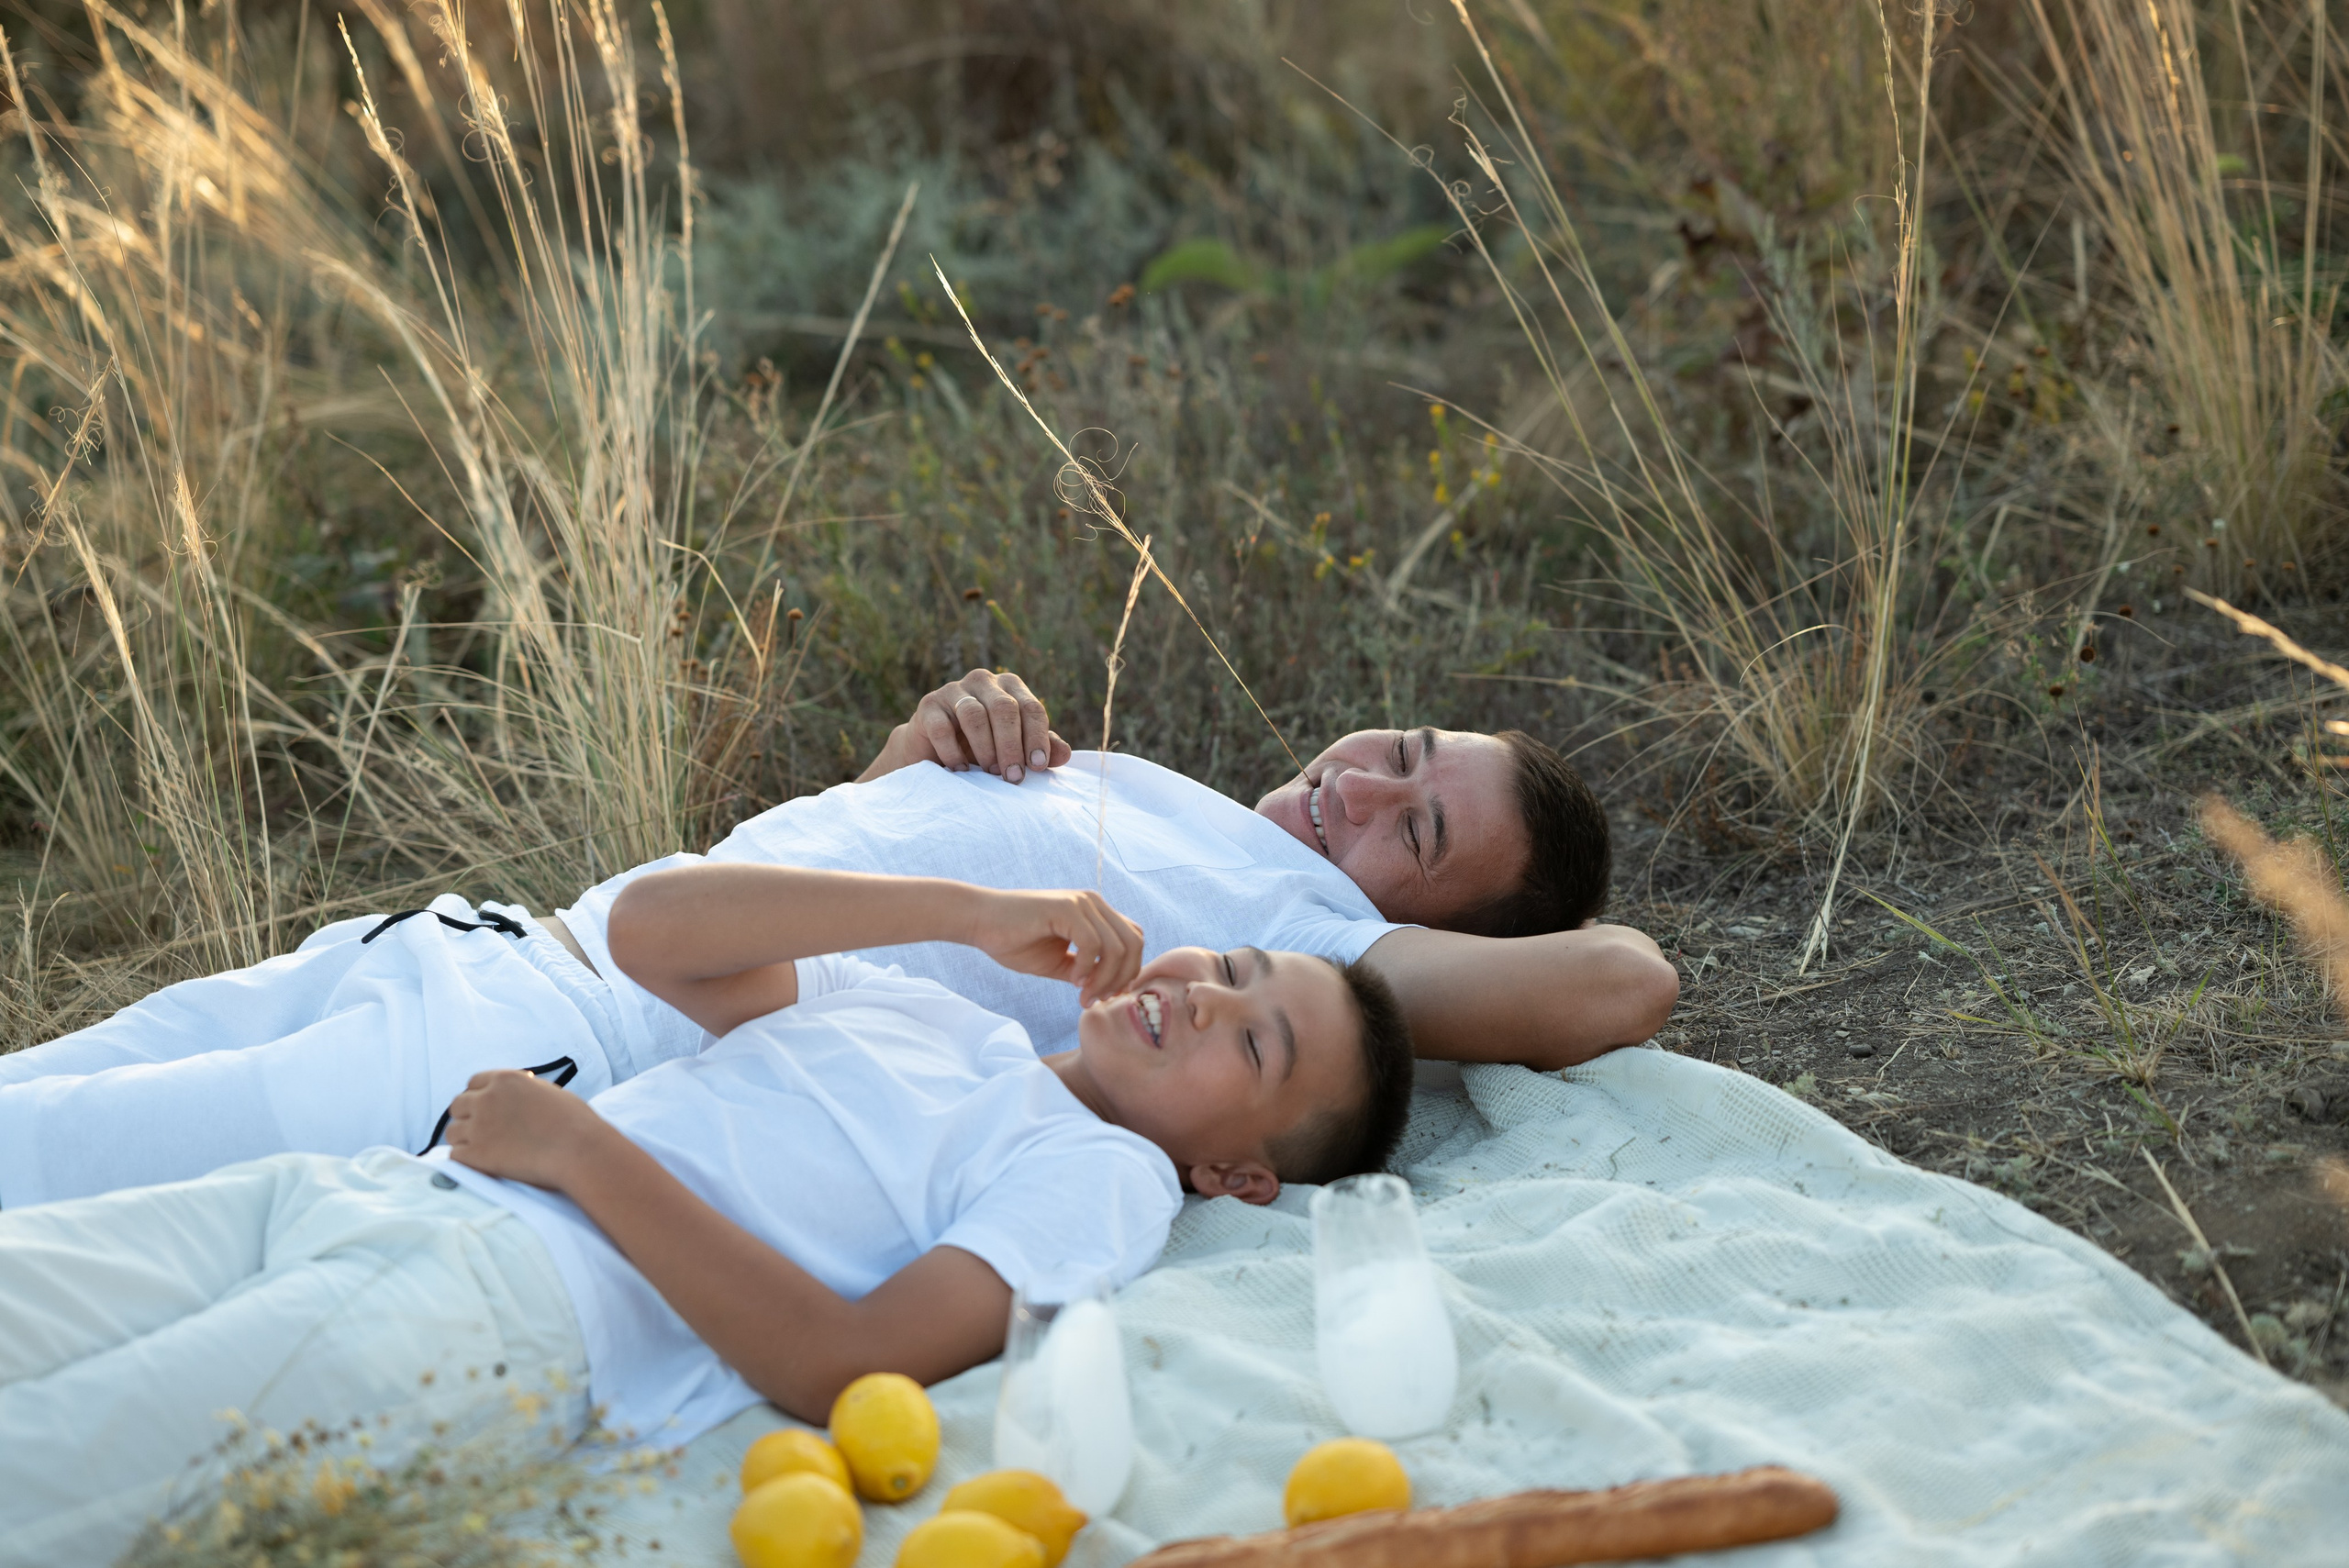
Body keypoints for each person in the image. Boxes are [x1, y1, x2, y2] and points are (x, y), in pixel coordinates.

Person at [0, 862, 1417, 1568]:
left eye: (1259, 1042)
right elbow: (655, 932)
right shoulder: (936, 1009)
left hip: (496, 1312)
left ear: (1240, 1175)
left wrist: (580, 1153)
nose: (1210, 994)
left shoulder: (1101, 1178)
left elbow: (843, 1363)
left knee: (41, 1471)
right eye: (1233, 962)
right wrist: (972, 911)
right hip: (382, 1193)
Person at [0, 670, 1675, 1207]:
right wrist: (921, 736)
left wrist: (1404, 976)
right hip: (477, 940)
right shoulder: (1180, 800)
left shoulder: (1300, 942)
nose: (1367, 786)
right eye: (1404, 749)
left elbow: (1624, 978)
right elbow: (833, 852)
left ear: (1430, 924)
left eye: (1423, 830)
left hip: (578, 1032)